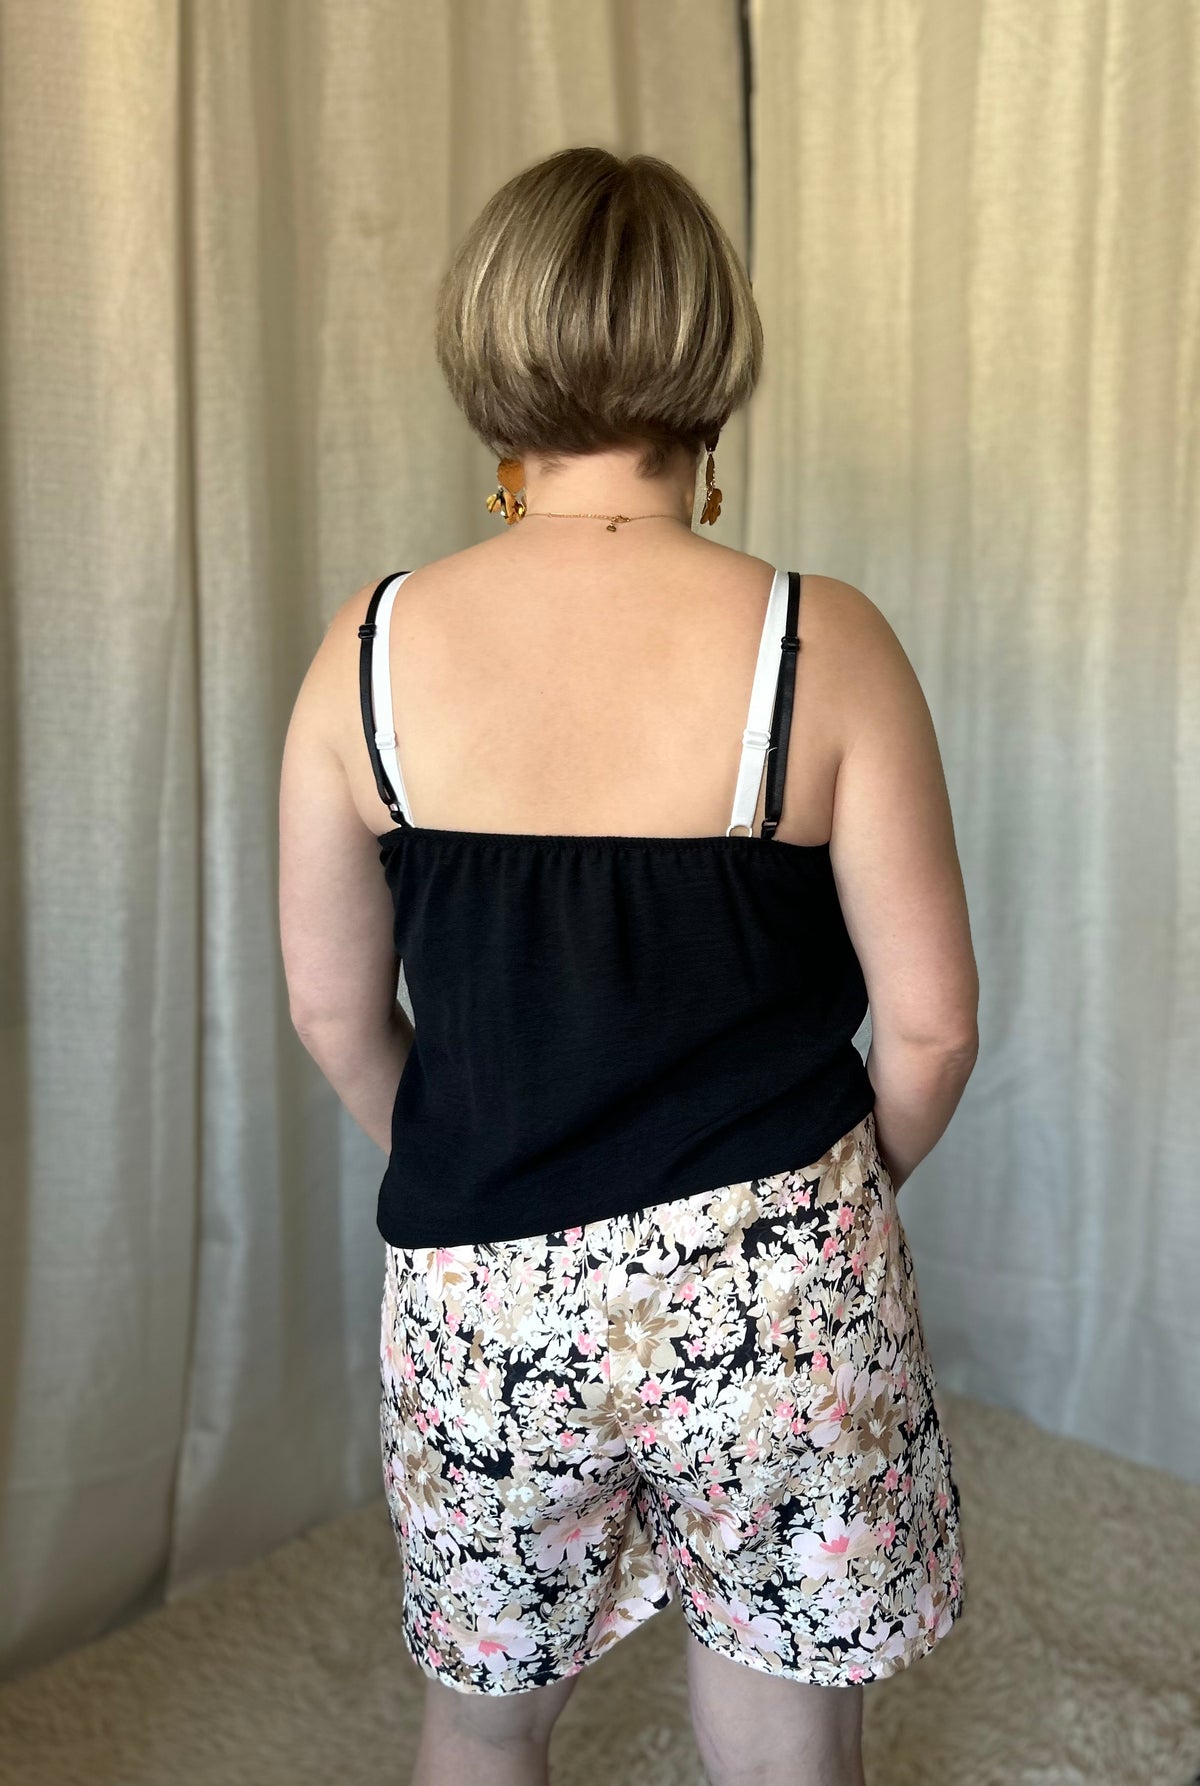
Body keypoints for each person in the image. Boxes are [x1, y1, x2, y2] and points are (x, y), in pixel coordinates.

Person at [279, 145, 978, 1786]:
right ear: (712, 352)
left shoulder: (365, 651)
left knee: (483, 1712)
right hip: (779, 1277)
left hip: (481, 1292)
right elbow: (933, 1026)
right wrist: (827, 1194)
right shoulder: (824, 641)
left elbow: (331, 1007)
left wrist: (481, 1162)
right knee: (783, 1709)